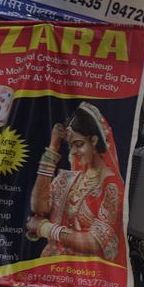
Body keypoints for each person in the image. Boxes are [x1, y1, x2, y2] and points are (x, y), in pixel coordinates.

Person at [26, 102, 123, 261]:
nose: (74, 152)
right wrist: (52, 149)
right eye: (71, 146)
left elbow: (95, 242)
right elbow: (39, 207)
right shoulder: (71, 178)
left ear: (94, 140)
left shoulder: (111, 185)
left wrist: (45, 228)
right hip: (52, 268)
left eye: (79, 144)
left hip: (87, 277)